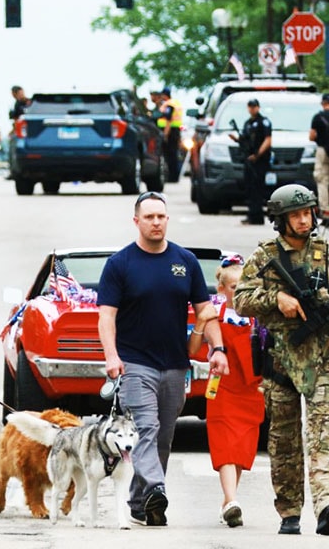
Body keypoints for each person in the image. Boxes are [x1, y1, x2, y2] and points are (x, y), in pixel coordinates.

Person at [97, 191, 229, 527]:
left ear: (167, 219)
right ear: (136, 221)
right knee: (145, 428)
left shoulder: (185, 261)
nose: (156, 222)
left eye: (161, 217)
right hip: (134, 363)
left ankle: (141, 504)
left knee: (163, 438)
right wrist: (111, 356)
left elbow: (206, 311)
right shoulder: (120, 264)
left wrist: (218, 349)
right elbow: (106, 316)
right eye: (149, 217)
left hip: (175, 364)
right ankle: (157, 487)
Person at [234, 183, 329, 536]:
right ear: (281, 220)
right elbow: (241, 300)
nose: (303, 220)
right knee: (284, 442)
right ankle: (289, 512)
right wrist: (277, 299)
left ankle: (325, 506)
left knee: (323, 438)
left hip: (322, 362)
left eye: (307, 213)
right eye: (295, 215)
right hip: (281, 364)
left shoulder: (324, 253)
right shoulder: (266, 255)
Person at [188, 255, 265, 528]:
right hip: (223, 388)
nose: (240, 292)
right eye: (234, 287)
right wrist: (200, 324)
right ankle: (232, 499)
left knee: (242, 448)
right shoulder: (214, 315)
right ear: (221, 289)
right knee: (226, 445)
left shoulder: (258, 318)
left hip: (251, 390)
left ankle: (228, 502)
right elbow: (193, 350)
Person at [229, 98, 272, 226]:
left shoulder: (263, 122)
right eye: (250, 107)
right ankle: (252, 215)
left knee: (257, 188)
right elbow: (244, 140)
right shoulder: (248, 123)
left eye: (254, 107)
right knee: (249, 188)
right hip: (249, 160)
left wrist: (257, 154)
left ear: (258, 107)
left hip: (260, 160)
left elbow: (268, 140)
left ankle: (257, 216)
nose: (252, 109)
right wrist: (236, 139)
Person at [309, 93, 329, 226]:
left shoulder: (318, 117)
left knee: (322, 179)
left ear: (323, 103)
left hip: (323, 150)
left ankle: (326, 212)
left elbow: (311, 136)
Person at [157, 88, 183, 183]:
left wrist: (165, 134)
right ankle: (174, 176)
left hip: (170, 132)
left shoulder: (169, 104)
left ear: (165, 95)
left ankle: (173, 177)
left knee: (170, 155)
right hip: (175, 131)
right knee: (173, 154)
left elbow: (168, 120)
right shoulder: (175, 103)